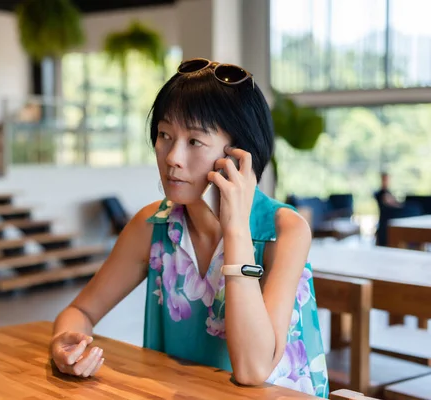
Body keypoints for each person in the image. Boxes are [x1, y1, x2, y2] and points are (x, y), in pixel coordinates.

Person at [49, 58, 328, 397]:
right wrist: (65, 342)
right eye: (165, 135)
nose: (172, 157)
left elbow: (254, 370)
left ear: (240, 155)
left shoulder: (285, 231)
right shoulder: (153, 225)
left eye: (194, 141)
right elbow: (79, 310)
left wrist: (236, 229)